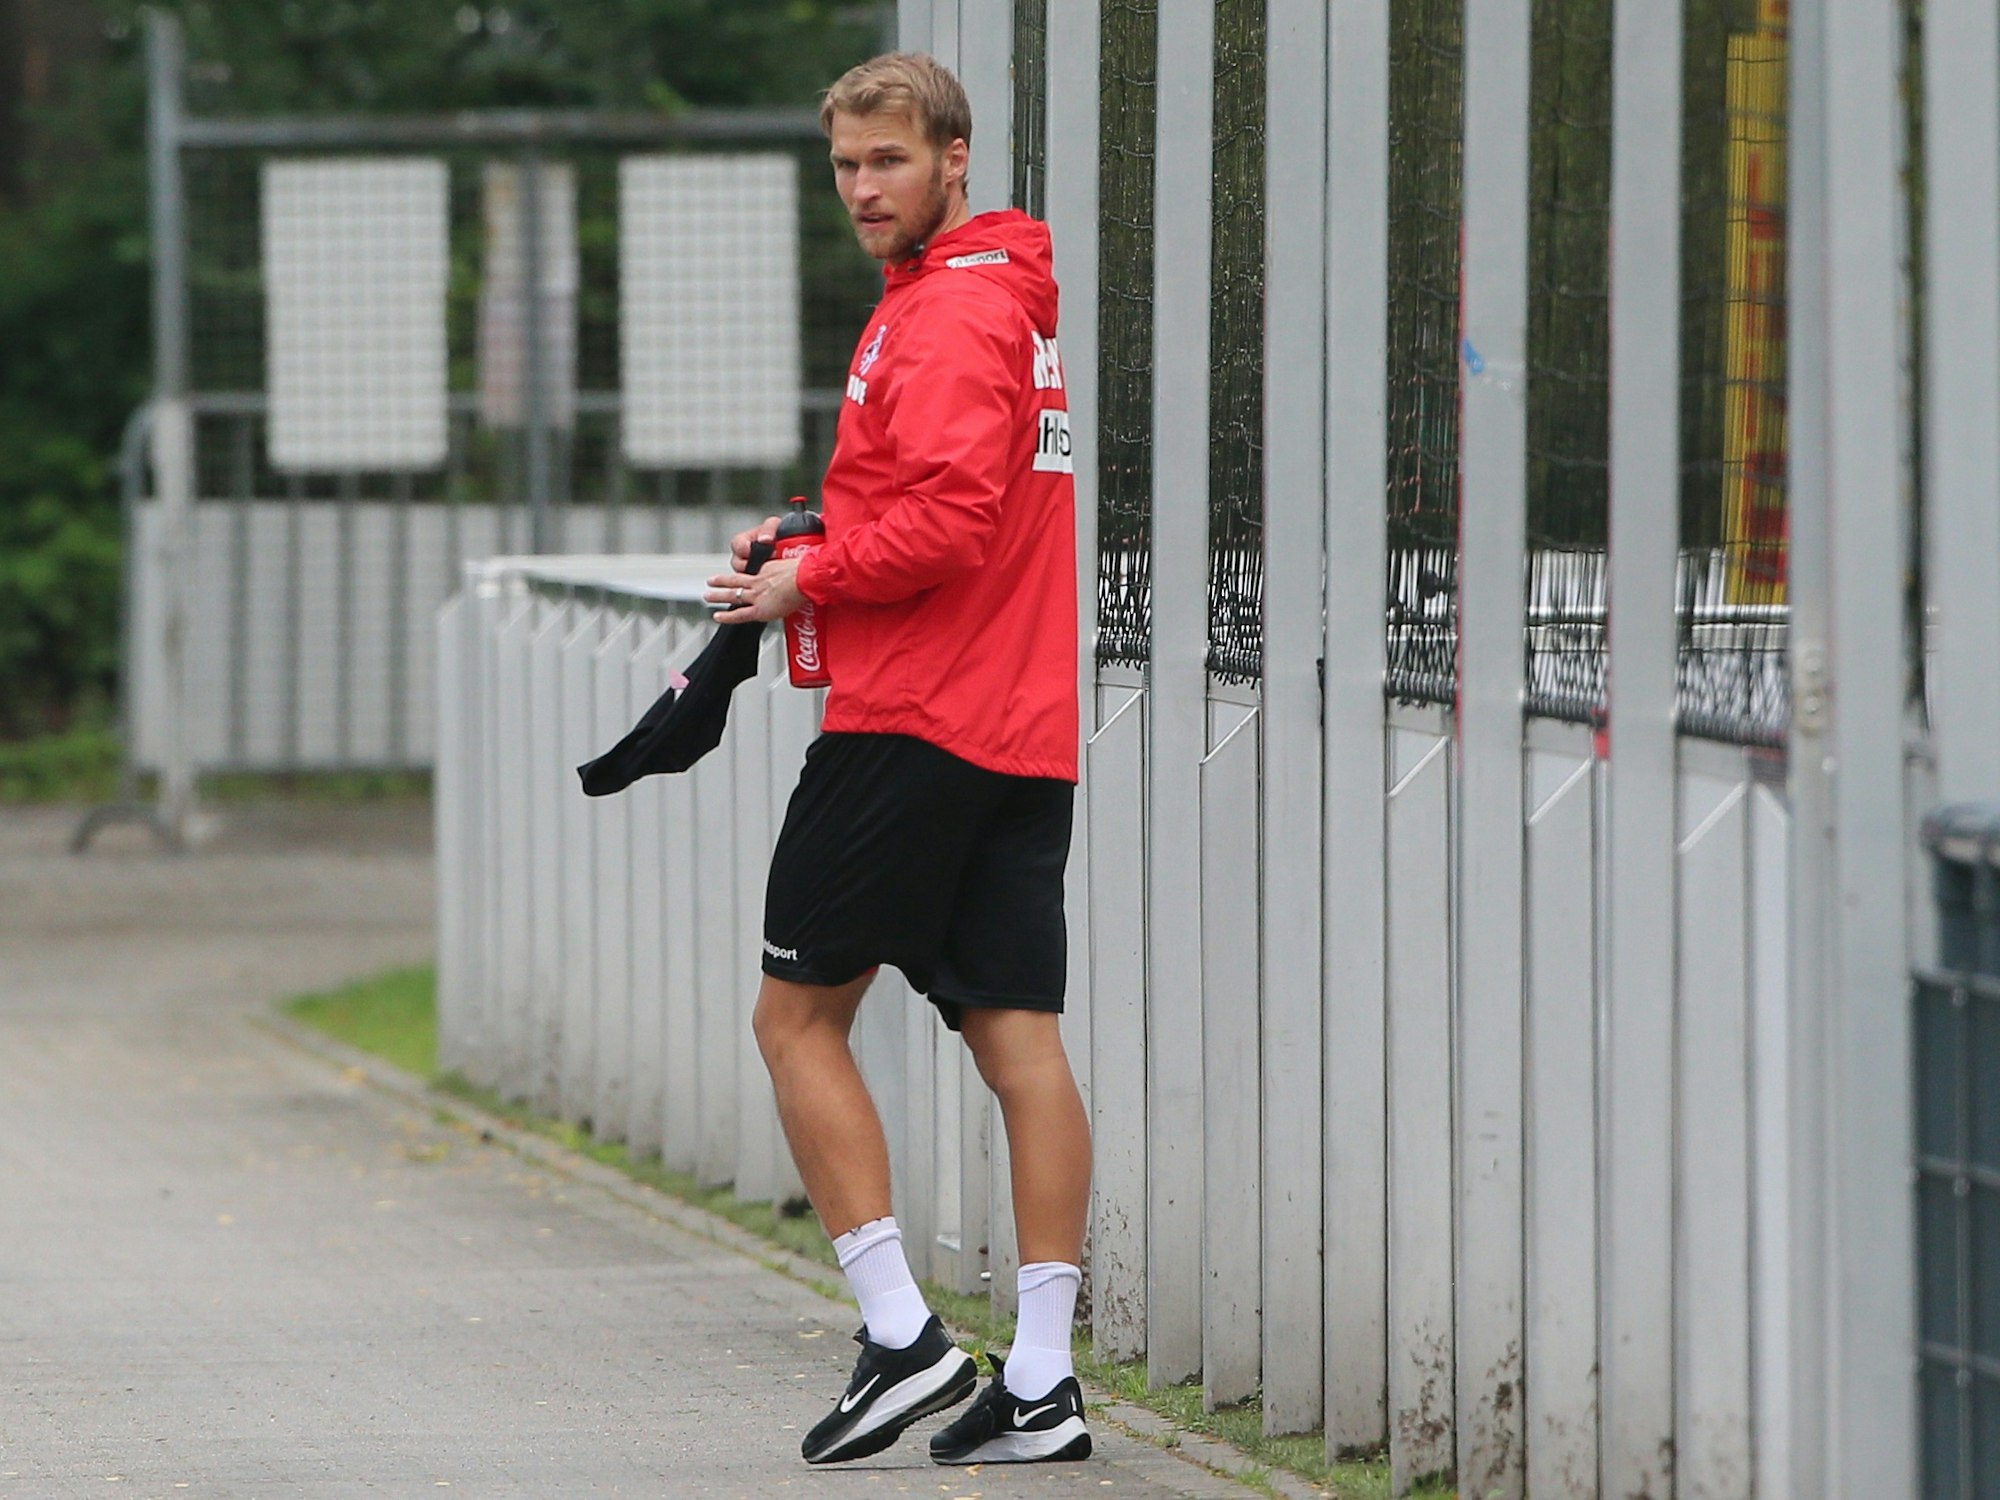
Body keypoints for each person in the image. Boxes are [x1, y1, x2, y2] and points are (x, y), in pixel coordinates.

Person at [702, 51, 1091, 1469]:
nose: (866, 190)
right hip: (1020, 725)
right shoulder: (1011, 307)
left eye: (890, 164)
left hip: (914, 720)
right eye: (848, 167)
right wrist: (810, 545)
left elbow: (943, 529)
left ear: (954, 162)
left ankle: (901, 1335)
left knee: (793, 1021)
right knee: (1016, 1038)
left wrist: (801, 584)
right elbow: (952, 503)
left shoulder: (941, 315)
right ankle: (1042, 1380)